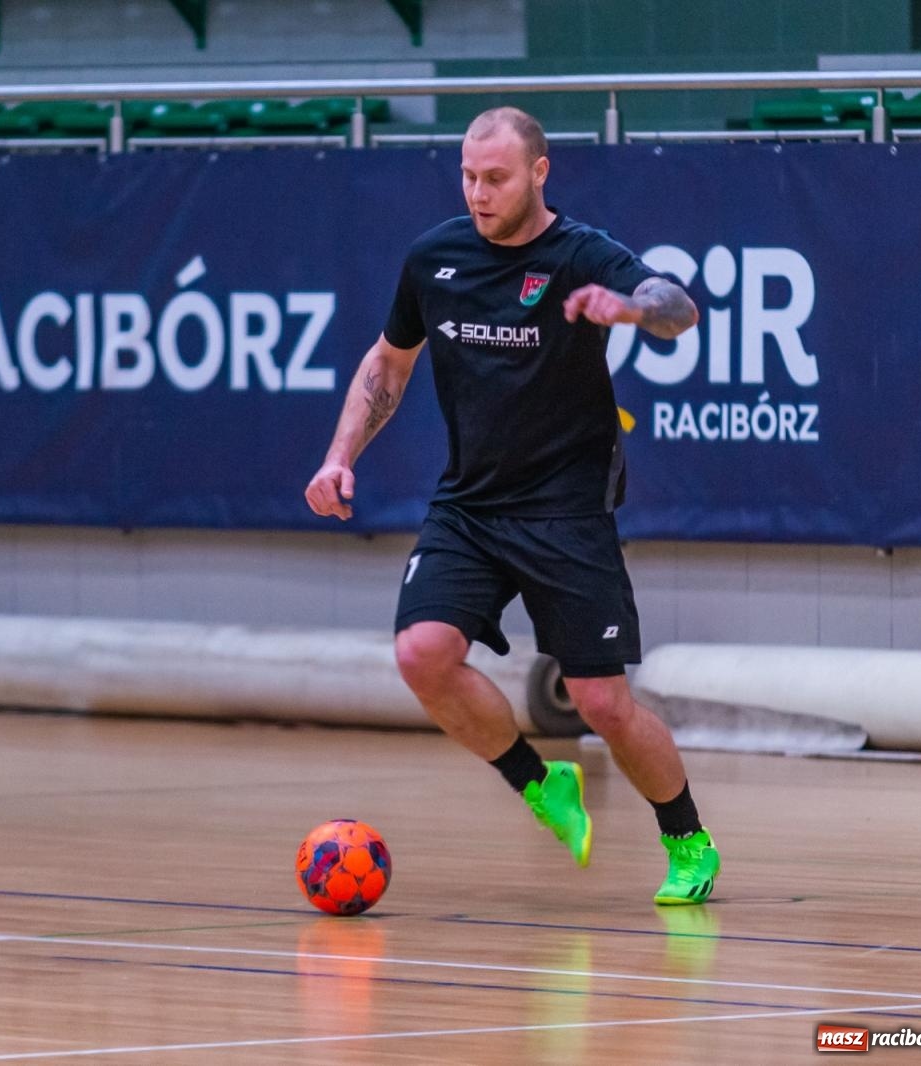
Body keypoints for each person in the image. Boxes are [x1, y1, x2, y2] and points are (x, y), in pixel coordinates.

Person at [304, 107, 720, 905]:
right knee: (422, 654)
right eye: (467, 176)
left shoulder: (579, 255)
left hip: (566, 506)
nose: (478, 192)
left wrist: (630, 310)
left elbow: (679, 308)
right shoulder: (436, 256)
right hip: (470, 504)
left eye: (494, 177)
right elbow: (387, 365)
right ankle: (539, 784)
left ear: (538, 172)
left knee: (603, 702)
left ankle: (688, 838)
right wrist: (338, 457)